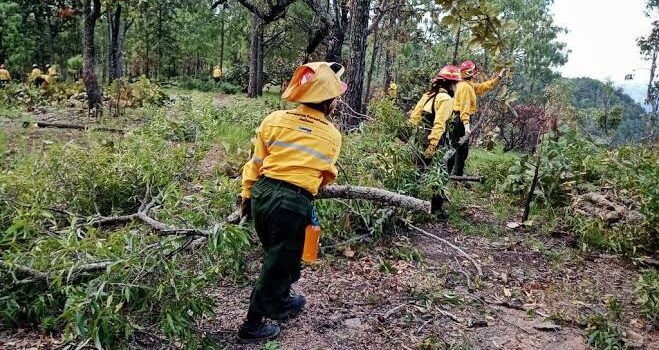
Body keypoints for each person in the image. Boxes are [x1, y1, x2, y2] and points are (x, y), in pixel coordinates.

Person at [237, 61, 347, 343]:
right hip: (292, 203)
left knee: (279, 252)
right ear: (328, 101)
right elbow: (325, 176)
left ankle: (283, 301)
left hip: (262, 194)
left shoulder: (273, 119)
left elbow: (256, 161)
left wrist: (247, 196)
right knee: (276, 262)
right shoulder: (332, 137)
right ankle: (252, 325)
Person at [407, 65, 462, 215]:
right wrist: (432, 145)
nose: (457, 86)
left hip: (419, 138)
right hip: (434, 141)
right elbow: (439, 124)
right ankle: (436, 210)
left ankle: (408, 203)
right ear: (451, 83)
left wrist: (408, 136)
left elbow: (414, 117)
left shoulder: (428, 95)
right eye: (457, 83)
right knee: (440, 173)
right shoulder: (446, 100)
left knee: (417, 171)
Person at [449, 60, 507, 176]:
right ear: (469, 72)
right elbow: (464, 108)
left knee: (457, 148)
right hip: (459, 120)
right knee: (460, 150)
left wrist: (498, 77)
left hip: (459, 119)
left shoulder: (468, 85)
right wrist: (466, 126)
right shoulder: (465, 87)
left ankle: (451, 174)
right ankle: (455, 176)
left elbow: (482, 87)